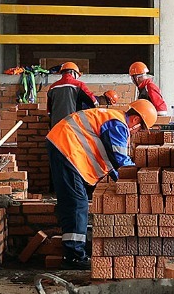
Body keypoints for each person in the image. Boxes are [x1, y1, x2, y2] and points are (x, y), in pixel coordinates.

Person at [48, 99, 158, 270]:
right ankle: (74, 256)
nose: (138, 132)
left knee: (74, 200)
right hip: (66, 147)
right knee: (78, 203)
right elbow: (120, 160)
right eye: (141, 128)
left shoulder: (113, 119)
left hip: (65, 145)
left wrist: (121, 181)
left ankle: (74, 244)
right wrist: (137, 181)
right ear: (136, 120)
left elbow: (110, 160)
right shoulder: (118, 124)